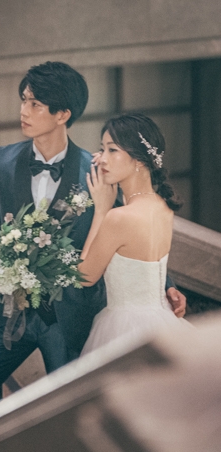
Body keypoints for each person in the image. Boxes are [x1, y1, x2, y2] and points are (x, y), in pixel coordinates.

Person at [0, 62, 186, 419]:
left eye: (35, 104)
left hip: (70, 315)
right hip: (12, 311)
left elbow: (133, 227)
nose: (23, 111)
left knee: (71, 411)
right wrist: (3, 260)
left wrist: (164, 284)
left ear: (62, 114)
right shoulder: (2, 160)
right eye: (23, 100)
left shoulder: (97, 169)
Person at [80, 113, 190, 355]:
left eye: (112, 150)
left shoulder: (119, 217)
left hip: (124, 329)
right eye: (102, 149)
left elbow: (84, 277)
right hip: (162, 320)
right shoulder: (163, 206)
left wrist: (101, 211)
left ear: (139, 159)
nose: (102, 159)